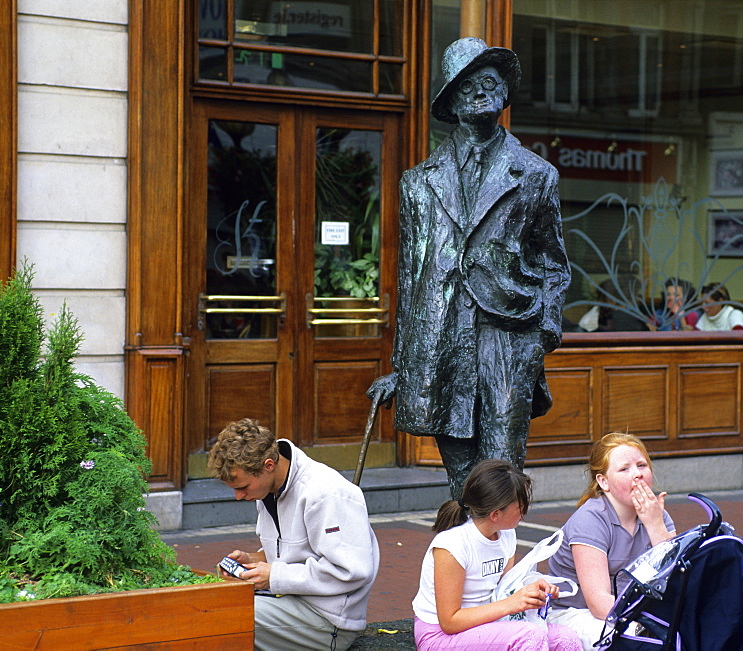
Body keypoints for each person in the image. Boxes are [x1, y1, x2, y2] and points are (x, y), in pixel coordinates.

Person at [366, 37, 570, 499]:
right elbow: (411, 278)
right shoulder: (418, 181)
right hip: (439, 341)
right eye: (466, 85)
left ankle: (500, 566)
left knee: (501, 475)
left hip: (509, 336)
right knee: (461, 481)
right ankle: (468, 568)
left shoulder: (536, 174)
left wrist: (543, 336)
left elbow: (555, 265)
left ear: (504, 95)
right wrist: (402, 365)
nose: (479, 92)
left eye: (489, 82)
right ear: (452, 102)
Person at [207, 418, 380, 651]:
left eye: (242, 487)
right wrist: (255, 560)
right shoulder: (268, 487)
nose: (238, 496)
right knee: (204, 605)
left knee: (221, 618)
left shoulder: (327, 492)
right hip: (289, 603)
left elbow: (352, 571)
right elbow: (293, 553)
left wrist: (274, 576)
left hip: (330, 622)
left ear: (269, 465)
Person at [411, 459, 582, 650]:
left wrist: (531, 589)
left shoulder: (506, 534)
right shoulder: (452, 546)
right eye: (520, 506)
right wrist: (512, 603)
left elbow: (504, 590)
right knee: (529, 636)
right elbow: (450, 622)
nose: (524, 512)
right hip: (439, 635)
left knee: (567, 638)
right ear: (495, 514)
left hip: (486, 624)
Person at [545, 433, 675, 651]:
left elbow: (673, 582)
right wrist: (645, 624)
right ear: (603, 481)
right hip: (575, 613)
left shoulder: (657, 515)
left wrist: (656, 528)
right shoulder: (590, 520)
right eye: (624, 469)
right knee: (639, 638)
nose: (637, 475)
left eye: (642, 465)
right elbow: (599, 603)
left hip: (635, 609)